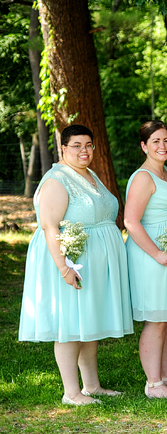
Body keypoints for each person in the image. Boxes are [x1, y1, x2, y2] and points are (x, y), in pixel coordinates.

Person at [19, 124, 132, 405]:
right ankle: (71, 392)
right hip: (70, 259)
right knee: (70, 323)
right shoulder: (57, 180)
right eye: (77, 145)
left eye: (88, 145)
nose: (84, 150)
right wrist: (64, 268)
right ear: (63, 148)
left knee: (88, 321)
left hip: (90, 261)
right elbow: (49, 226)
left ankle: (92, 386)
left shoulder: (88, 174)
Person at [124, 121, 167, 399]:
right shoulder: (143, 177)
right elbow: (131, 221)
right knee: (155, 318)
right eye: (156, 142)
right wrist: (157, 254)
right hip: (150, 255)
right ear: (144, 146)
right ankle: (153, 384)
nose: (163, 146)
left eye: (166, 140)